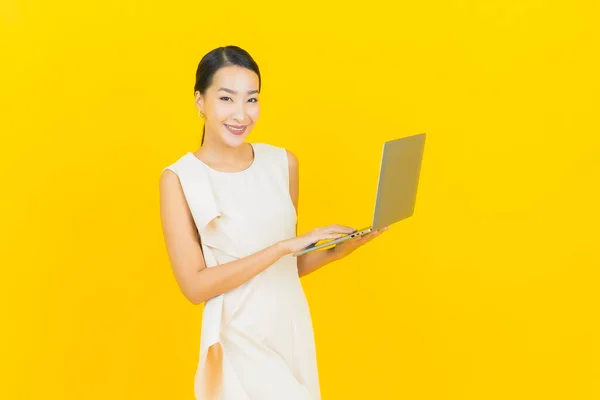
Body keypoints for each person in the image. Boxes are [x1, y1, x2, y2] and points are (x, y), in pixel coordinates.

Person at [159, 45, 388, 400]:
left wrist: (337, 251)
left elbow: (287, 267)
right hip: (236, 338)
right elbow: (194, 287)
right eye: (226, 98)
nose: (241, 114)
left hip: (289, 327)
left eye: (252, 100)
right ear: (200, 101)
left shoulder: (283, 163)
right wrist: (282, 246)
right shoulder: (180, 178)